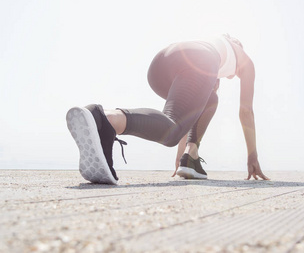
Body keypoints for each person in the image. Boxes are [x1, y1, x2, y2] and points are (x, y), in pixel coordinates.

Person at [66, 34, 269, 184]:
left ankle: (190, 158)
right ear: (237, 45)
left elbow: (188, 114)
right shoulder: (244, 60)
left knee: (208, 101)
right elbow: (246, 111)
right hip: (196, 60)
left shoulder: (212, 46)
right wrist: (252, 156)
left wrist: (180, 159)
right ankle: (104, 120)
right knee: (171, 132)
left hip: (161, 65)